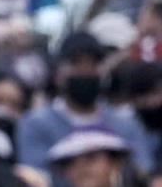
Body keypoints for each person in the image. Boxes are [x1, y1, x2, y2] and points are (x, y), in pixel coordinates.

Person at [18, 33, 152, 173]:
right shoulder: (36, 124)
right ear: (59, 74)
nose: (85, 71)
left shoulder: (125, 124)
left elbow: (142, 169)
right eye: (76, 63)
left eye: (93, 64)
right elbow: (37, 178)